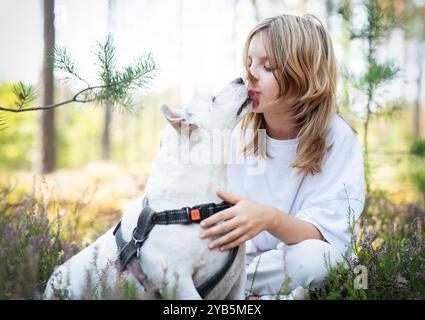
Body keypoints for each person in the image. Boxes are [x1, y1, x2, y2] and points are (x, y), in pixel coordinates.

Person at [199, 14, 365, 299]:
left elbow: (324, 236)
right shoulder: (240, 134)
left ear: (304, 76)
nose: (250, 73)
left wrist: (269, 219)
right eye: (249, 62)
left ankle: (224, 290)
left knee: (317, 259)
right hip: (240, 260)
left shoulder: (337, 137)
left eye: (267, 66)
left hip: (293, 260)